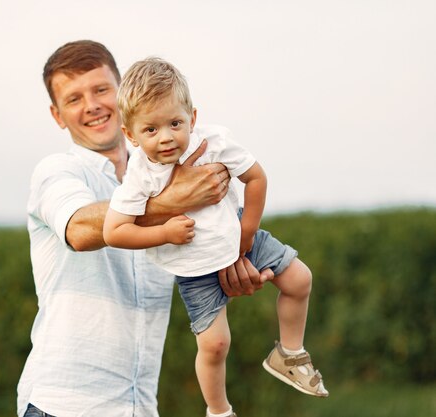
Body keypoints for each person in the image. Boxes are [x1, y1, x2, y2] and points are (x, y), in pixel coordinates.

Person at [17, 40, 266, 417]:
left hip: (139, 406)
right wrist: (174, 201)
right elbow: (79, 228)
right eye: (74, 99)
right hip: (64, 405)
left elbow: (209, 240)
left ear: (122, 94)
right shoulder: (57, 172)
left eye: (101, 89)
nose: (92, 105)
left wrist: (233, 263)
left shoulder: (171, 166)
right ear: (57, 116)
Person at [103, 58, 328, 417]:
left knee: (300, 279)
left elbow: (256, 178)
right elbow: (113, 231)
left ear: (192, 118)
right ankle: (219, 411)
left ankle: (290, 353)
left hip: (237, 230)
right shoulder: (140, 174)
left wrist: (247, 233)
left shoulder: (214, 143)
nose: (165, 137)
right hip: (192, 266)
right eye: (150, 130)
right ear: (130, 135)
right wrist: (163, 231)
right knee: (215, 344)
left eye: (175, 123)